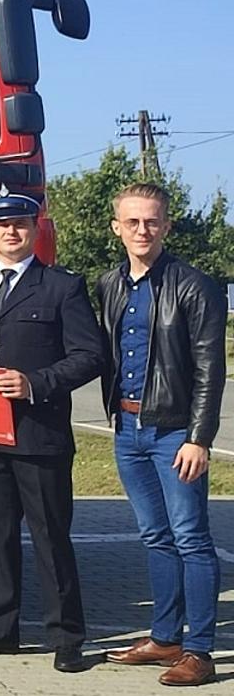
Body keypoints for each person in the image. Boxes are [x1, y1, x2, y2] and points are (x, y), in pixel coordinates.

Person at [0, 187, 104, 673]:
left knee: (51, 538)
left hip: (39, 436)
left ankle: (66, 636)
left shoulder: (62, 287)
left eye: (21, 224)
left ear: (35, 230)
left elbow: (90, 355)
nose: (11, 231)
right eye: (2, 224)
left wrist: (35, 383)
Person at [96, 183, 224, 687]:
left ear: (167, 226)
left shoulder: (194, 285)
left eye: (152, 221)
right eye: (132, 222)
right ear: (117, 228)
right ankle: (165, 636)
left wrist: (199, 437)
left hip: (175, 434)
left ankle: (200, 650)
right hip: (127, 430)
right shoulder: (109, 284)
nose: (142, 230)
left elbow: (210, 368)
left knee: (192, 538)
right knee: (155, 537)